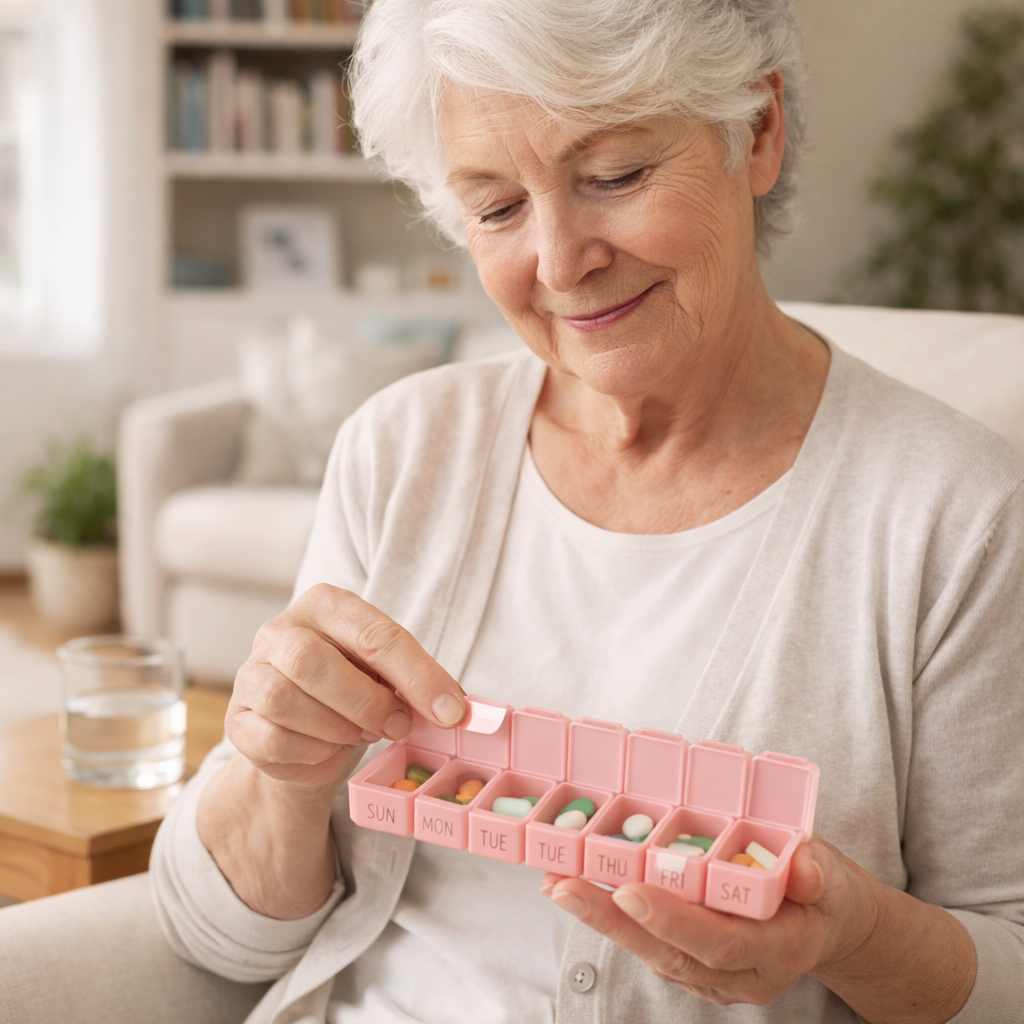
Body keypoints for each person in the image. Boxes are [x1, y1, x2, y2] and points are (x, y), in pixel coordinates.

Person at [151, 1, 1024, 1022]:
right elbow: (216, 937)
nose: (560, 264)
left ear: (757, 130)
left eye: (614, 175)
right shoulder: (402, 450)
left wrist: (852, 936)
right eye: (496, 209)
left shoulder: (954, 515)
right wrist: (283, 777)